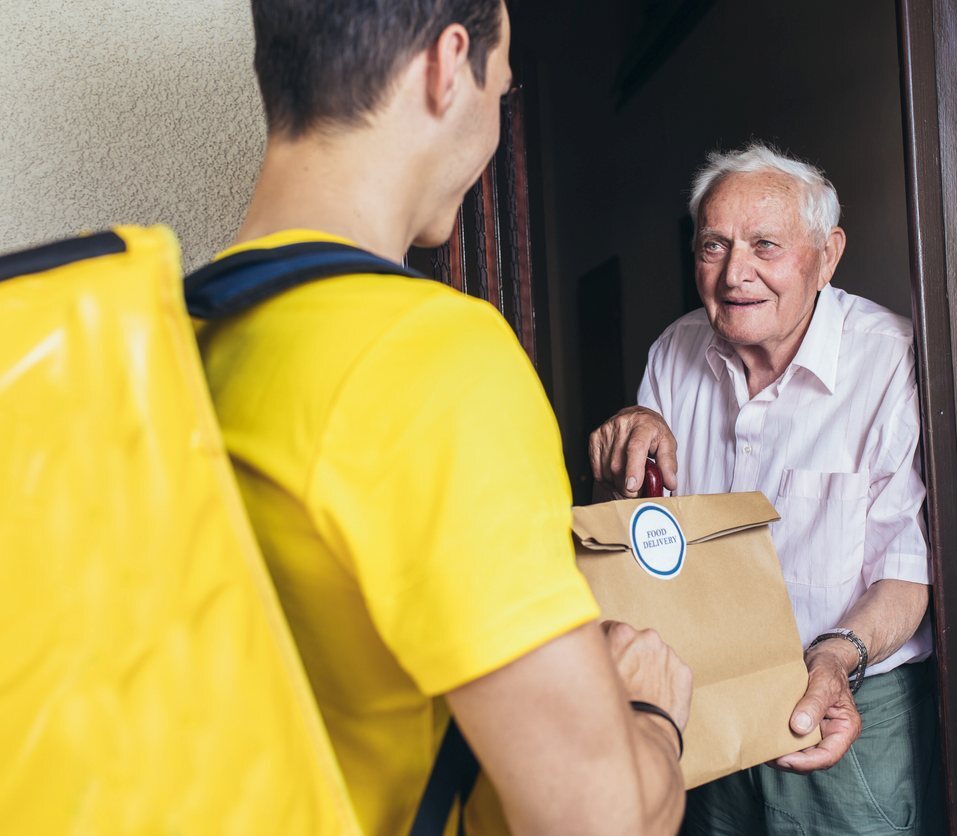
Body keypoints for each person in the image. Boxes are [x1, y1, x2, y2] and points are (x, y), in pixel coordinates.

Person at [195, 2, 692, 833]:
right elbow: (600, 822)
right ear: (447, 65)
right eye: (502, 88)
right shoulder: (430, 356)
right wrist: (651, 713)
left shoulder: (174, 337)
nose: (495, 117)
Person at [590, 142, 944, 835]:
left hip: (853, 704)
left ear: (828, 254)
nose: (735, 274)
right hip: (708, 698)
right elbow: (654, 548)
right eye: (713, 246)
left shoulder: (892, 363)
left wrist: (836, 659)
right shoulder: (673, 351)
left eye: (766, 245)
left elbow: (907, 575)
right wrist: (624, 466)